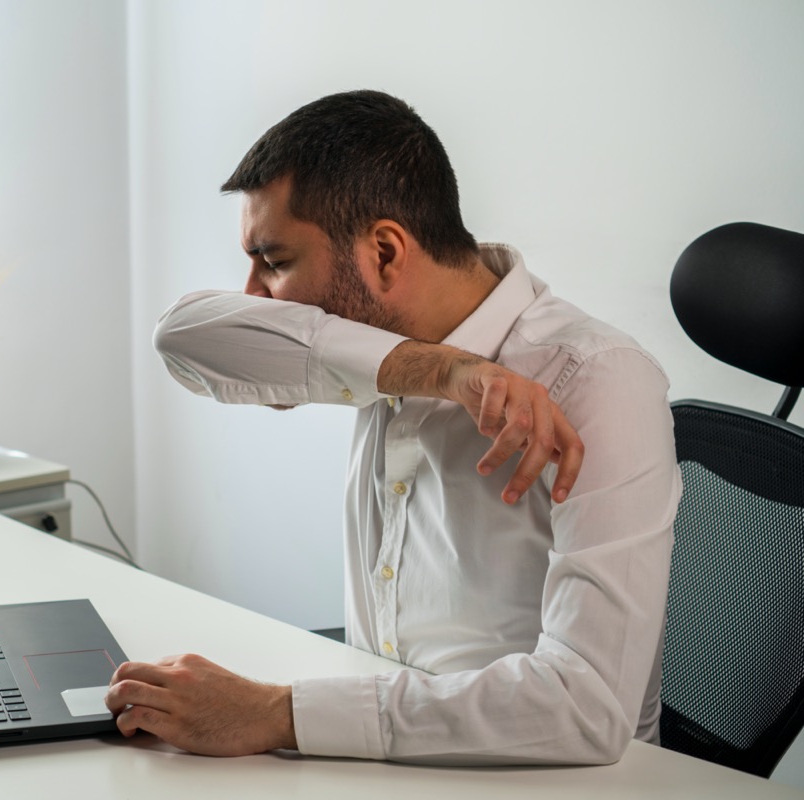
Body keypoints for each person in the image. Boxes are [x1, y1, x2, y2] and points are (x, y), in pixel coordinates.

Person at [105, 90, 681, 765]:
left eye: (276, 261)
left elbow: (585, 707)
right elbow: (181, 335)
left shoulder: (597, 380)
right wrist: (440, 372)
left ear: (383, 253)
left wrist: (274, 712)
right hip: (384, 760)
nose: (256, 297)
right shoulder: (380, 356)